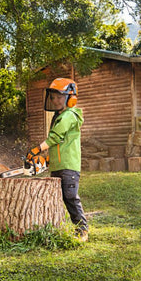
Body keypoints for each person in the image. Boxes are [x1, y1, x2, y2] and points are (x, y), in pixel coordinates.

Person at [26, 77, 88, 241]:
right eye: (54, 97)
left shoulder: (69, 116)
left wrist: (37, 149)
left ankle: (82, 230)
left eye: (60, 97)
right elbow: (57, 145)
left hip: (68, 166)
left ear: (70, 98)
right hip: (59, 165)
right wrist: (46, 161)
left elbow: (54, 138)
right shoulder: (59, 116)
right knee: (58, 198)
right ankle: (62, 227)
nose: (55, 100)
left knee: (70, 197)